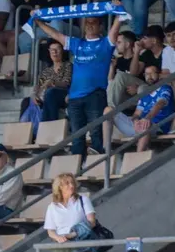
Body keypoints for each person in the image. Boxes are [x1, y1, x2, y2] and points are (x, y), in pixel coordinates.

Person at [35, 15, 122, 155]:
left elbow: (114, 30)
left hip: (95, 95)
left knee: (96, 134)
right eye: (87, 22)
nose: (89, 25)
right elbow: (55, 34)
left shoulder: (106, 43)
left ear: (100, 26)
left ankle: (97, 168)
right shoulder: (77, 43)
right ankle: (77, 169)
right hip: (75, 98)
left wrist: (118, 16)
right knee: (76, 137)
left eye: (93, 22)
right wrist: (39, 22)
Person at [104, 64, 174, 152]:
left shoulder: (165, 88)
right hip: (139, 125)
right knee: (108, 110)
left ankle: (139, 157)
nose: (149, 76)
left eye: (152, 73)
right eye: (147, 74)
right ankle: (106, 150)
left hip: (157, 126)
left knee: (145, 126)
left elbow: (160, 103)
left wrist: (147, 118)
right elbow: (136, 114)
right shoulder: (145, 94)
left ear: (159, 74)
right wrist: (135, 120)